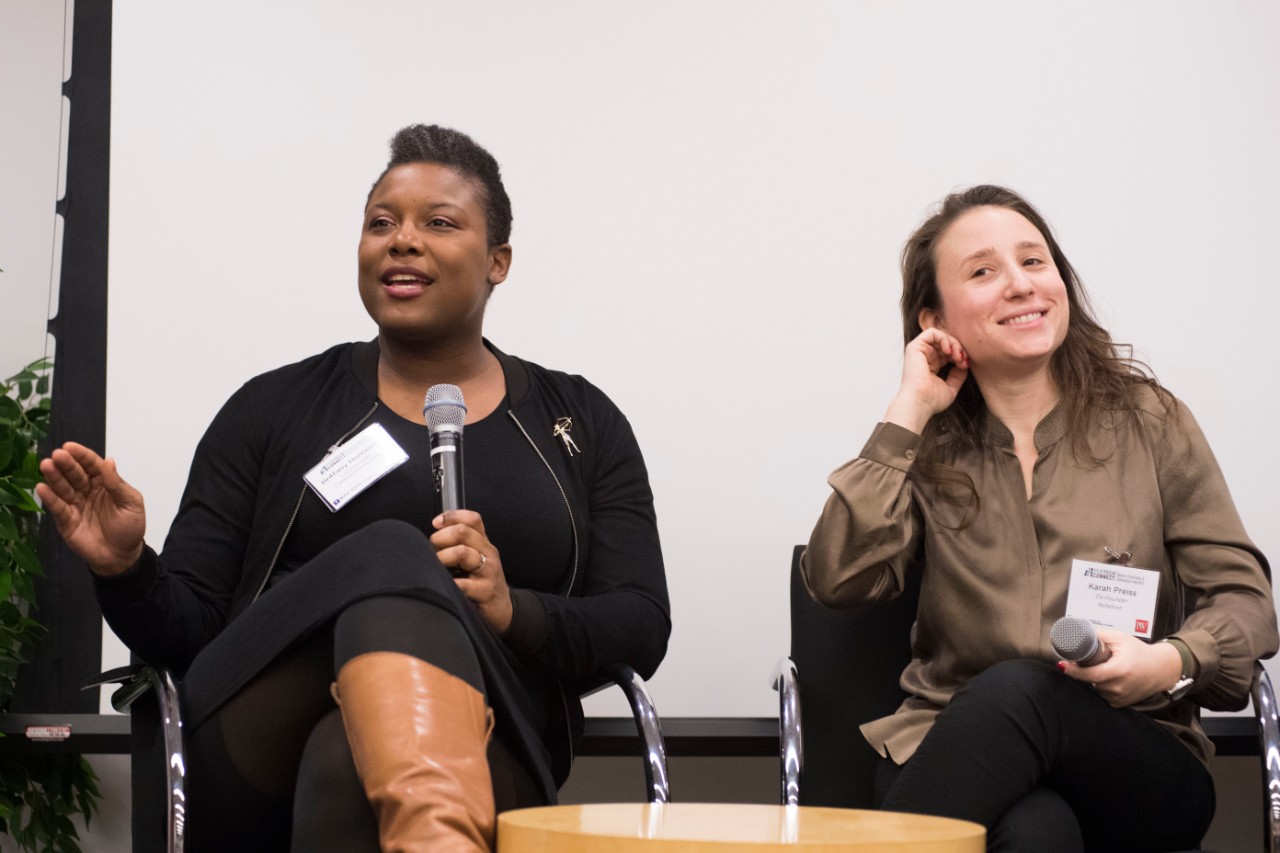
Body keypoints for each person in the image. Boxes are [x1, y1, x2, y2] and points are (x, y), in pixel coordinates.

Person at [38, 124, 671, 852]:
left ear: (498, 261)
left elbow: (640, 622)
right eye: (381, 223)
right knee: (394, 555)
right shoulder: (272, 407)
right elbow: (190, 633)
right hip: (249, 751)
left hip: (501, 750)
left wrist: (512, 610)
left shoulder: (580, 420)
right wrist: (125, 567)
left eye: (438, 222)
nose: (401, 240)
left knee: (345, 758)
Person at [801, 185, 1276, 852]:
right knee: (1035, 830)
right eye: (983, 271)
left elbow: (1247, 602)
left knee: (1026, 687)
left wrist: (1169, 660)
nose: (1021, 285)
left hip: (1136, 758)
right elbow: (837, 579)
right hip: (951, 755)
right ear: (932, 318)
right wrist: (907, 409)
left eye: (1034, 260)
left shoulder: (1151, 422)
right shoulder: (925, 444)